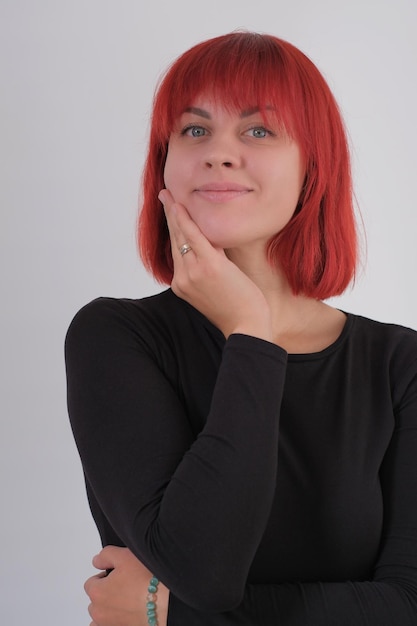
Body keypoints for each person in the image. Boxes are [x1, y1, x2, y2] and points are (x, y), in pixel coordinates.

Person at [65, 31, 417, 625]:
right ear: (165, 165)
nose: (218, 153)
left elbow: (408, 606)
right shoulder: (116, 337)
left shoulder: (398, 362)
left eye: (258, 130)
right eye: (194, 130)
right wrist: (251, 333)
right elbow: (204, 569)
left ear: (314, 167)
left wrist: (171, 616)